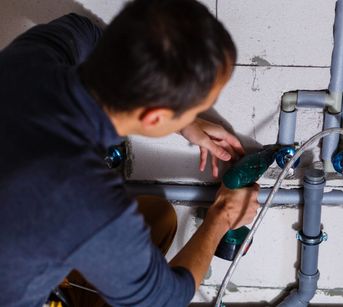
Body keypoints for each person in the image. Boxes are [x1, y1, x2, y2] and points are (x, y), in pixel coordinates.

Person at [0, 0, 260, 306]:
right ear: (154, 117)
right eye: (197, 108)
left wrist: (183, 121)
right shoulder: (85, 199)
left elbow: (84, 29)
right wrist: (222, 216)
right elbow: (164, 299)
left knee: (157, 218)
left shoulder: (30, 58)